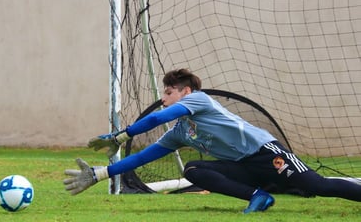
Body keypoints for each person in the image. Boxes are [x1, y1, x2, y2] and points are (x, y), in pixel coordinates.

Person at [63, 68, 361, 213]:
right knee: (192, 170)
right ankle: (258, 197)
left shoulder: (200, 101)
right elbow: (144, 157)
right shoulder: (180, 131)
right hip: (244, 168)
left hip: (266, 154)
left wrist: (120, 135)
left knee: (318, 186)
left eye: (169, 92)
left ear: (186, 92)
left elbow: (155, 119)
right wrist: (101, 174)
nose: (163, 98)